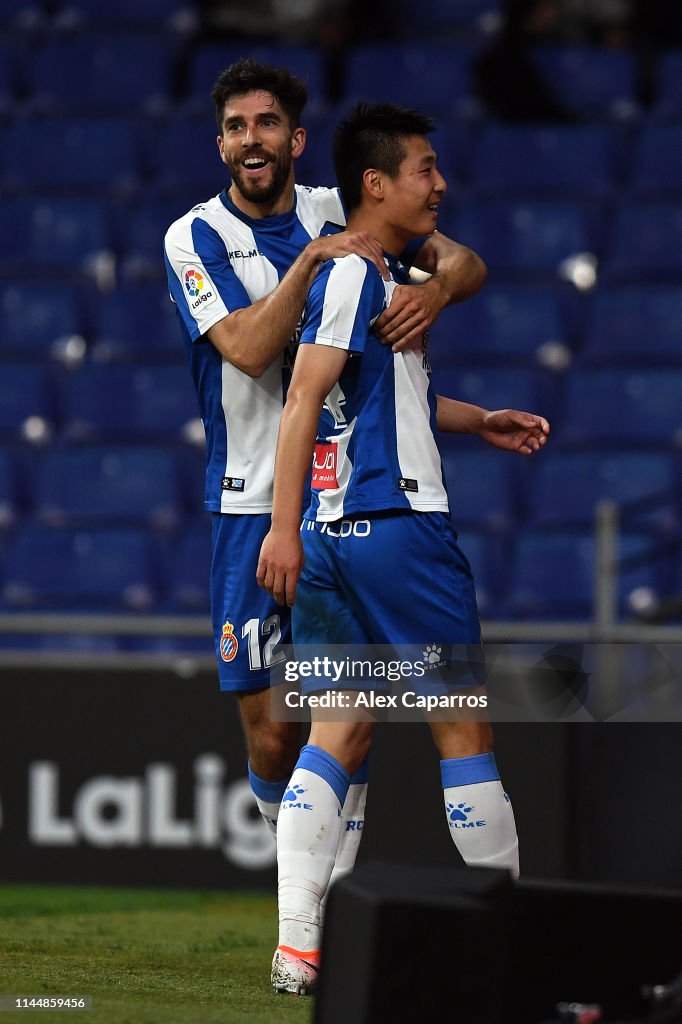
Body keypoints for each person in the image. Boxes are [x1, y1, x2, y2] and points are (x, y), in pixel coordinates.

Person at [163, 59, 489, 883]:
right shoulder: (195, 236)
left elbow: (465, 261)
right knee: (273, 729)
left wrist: (435, 294)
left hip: (337, 501)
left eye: (266, 123)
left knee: (345, 715)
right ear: (221, 144)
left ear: (295, 139)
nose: (251, 140)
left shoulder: (336, 208)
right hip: (252, 506)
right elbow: (245, 348)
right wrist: (311, 264)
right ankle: (300, 879)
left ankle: (318, 913)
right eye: (236, 127)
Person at [257, 101, 550, 995]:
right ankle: (507, 946)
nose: (441, 184)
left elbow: (371, 397)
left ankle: (298, 945)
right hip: (399, 529)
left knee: (339, 729)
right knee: (463, 729)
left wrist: (476, 417)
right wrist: (274, 524)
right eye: (426, 169)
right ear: (375, 184)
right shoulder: (355, 275)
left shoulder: (372, 279)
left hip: (338, 533)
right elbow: (302, 400)